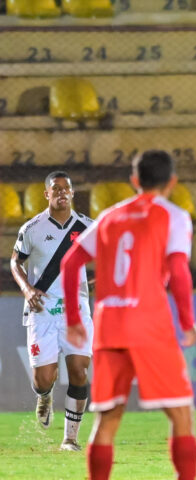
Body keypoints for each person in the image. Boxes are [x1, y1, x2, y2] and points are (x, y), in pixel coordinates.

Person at [62, 150, 196, 480]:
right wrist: (186, 321)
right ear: (172, 182)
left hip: (109, 325)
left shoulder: (109, 216)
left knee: (107, 418)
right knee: (181, 414)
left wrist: (73, 321)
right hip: (149, 322)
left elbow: (70, 263)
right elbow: (179, 270)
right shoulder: (174, 215)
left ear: (134, 180)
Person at [10, 171, 93, 451]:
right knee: (43, 379)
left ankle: (70, 439)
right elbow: (15, 262)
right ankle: (44, 396)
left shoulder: (88, 227)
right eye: (55, 188)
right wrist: (27, 289)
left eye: (65, 188)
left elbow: (109, 257)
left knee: (79, 370)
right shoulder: (31, 228)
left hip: (76, 310)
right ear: (46, 194)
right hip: (42, 310)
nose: (61, 192)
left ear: (72, 193)